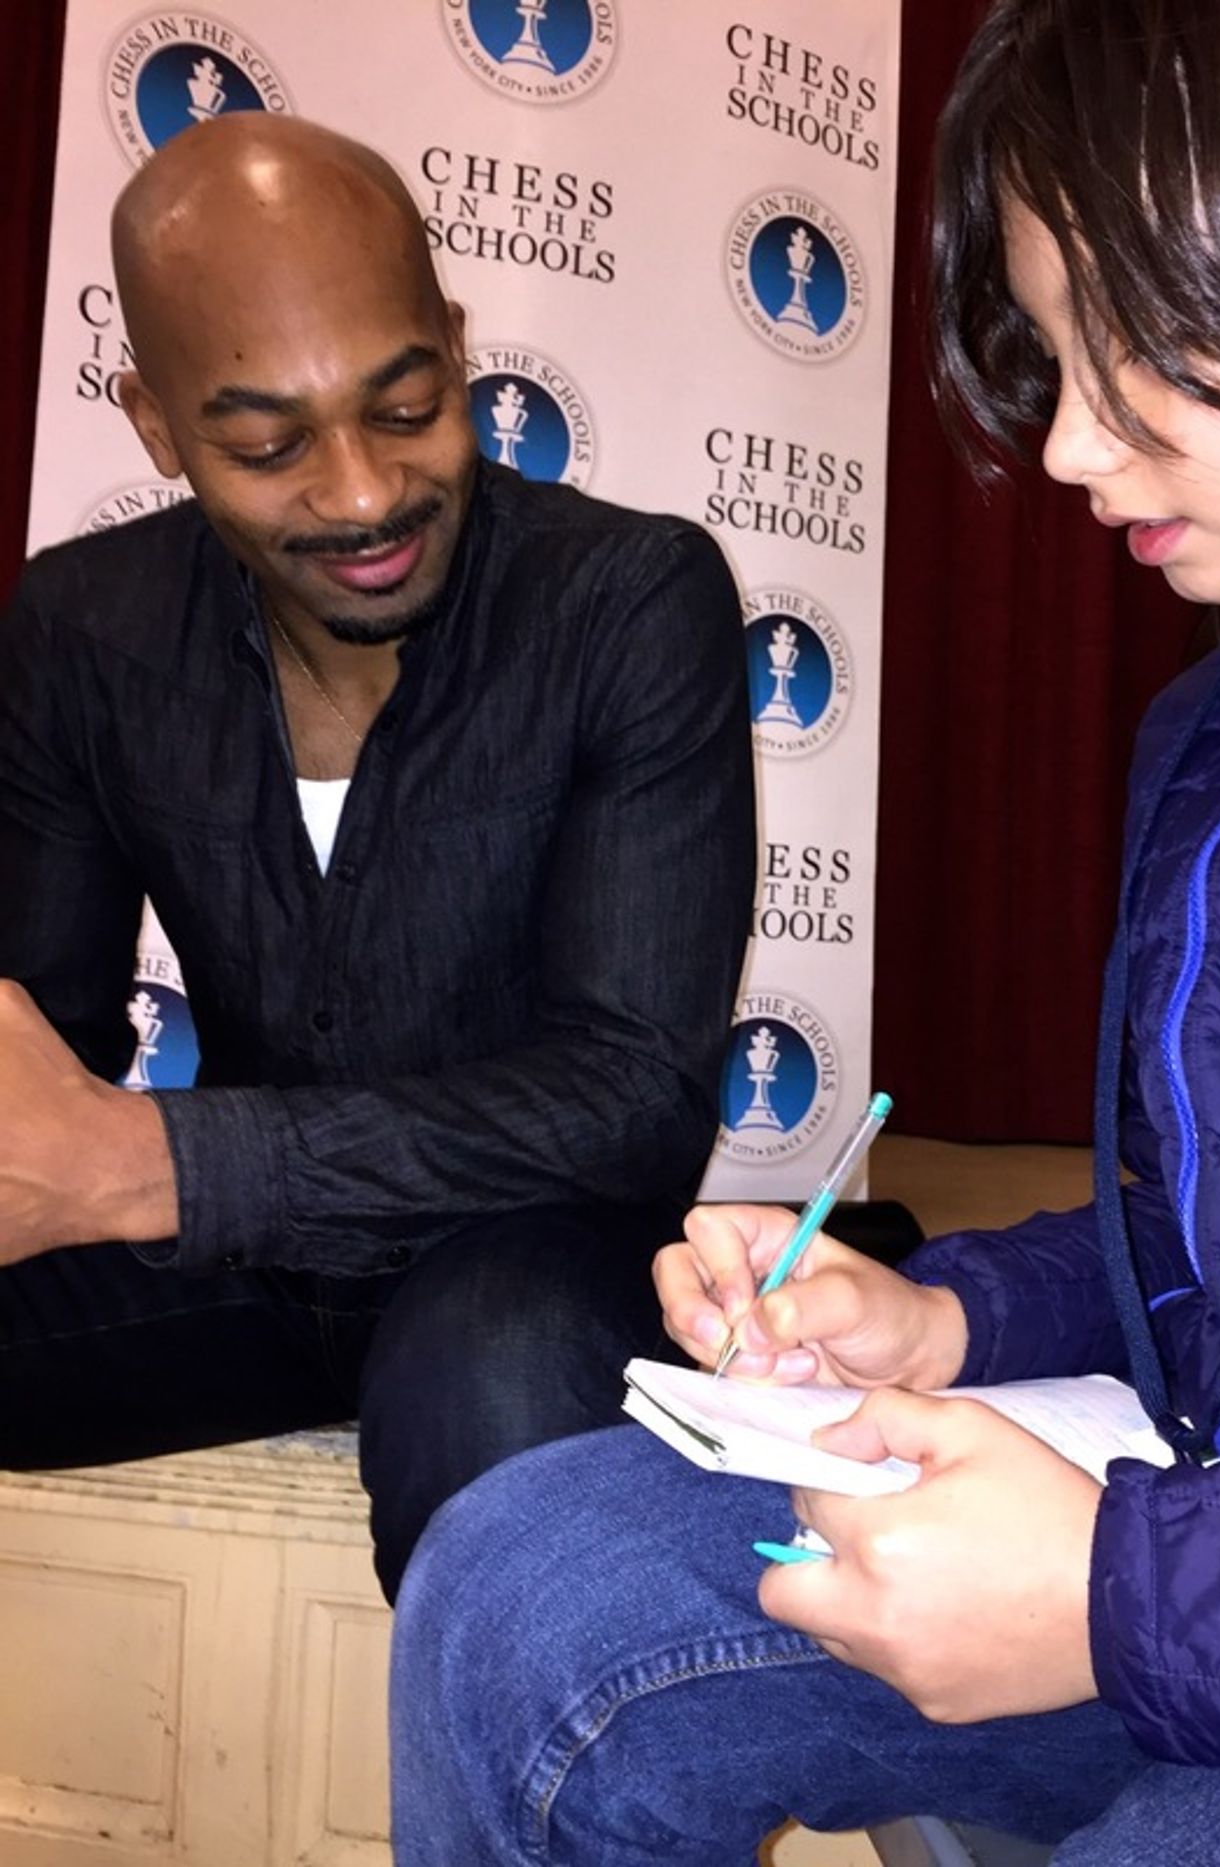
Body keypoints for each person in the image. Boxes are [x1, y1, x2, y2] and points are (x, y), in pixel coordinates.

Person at [388, 0, 1220, 1857]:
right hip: (1214, 1557)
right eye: (1060, 349)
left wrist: (1108, 1594)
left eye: (1155, 347)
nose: (1077, 447)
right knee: (524, 1599)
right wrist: (944, 1321)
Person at [0, 113, 754, 1602]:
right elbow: (42, 1042)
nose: (360, 496)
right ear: (153, 425)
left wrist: (165, 1165)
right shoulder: (78, 632)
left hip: (530, 1253)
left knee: (487, 1399)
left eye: (408, 409)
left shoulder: (628, 602)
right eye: (267, 443)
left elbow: (631, 1104)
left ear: (457, 349)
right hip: (239, 1276)